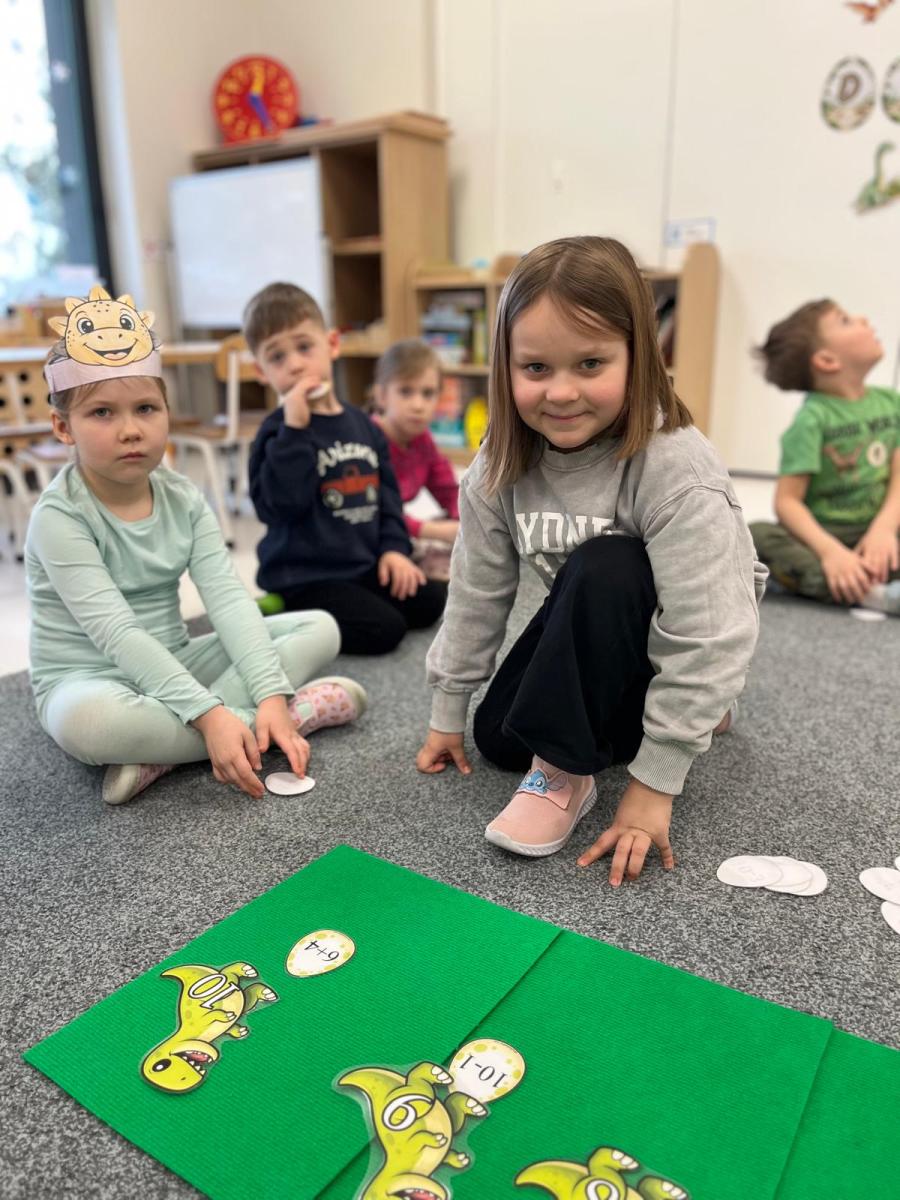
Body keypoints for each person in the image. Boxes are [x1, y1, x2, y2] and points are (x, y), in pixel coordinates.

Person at [415, 237, 766, 885]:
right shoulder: (500, 462)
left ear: (639, 356)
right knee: (499, 739)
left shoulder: (676, 466)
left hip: (678, 631)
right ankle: (648, 721)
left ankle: (569, 774)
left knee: (607, 563)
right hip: (595, 630)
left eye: (591, 363)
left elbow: (712, 630)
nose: (561, 392)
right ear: (505, 366)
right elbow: (475, 588)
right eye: (536, 367)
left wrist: (655, 783)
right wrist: (448, 709)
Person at [26, 286, 366, 806]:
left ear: (167, 410)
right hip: (86, 677)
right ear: (62, 427)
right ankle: (283, 716)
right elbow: (117, 632)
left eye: (145, 408)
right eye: (102, 413)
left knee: (320, 626)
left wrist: (265, 689)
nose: (130, 430)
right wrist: (210, 714)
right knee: (89, 725)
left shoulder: (183, 497)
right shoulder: (59, 516)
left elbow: (226, 599)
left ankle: (173, 747)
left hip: (177, 659)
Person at [245, 283, 447, 653]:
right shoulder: (275, 433)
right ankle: (287, 612)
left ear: (332, 344)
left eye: (304, 347)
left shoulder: (365, 426)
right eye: (277, 357)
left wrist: (394, 551)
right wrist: (295, 430)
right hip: (306, 577)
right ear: (262, 371)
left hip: (362, 566)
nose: (295, 364)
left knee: (431, 601)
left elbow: (388, 501)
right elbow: (280, 506)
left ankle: (337, 609)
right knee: (385, 630)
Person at [748, 299, 900, 612]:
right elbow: (787, 502)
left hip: (880, 532)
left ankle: (858, 580)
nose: (862, 317)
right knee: (756, 537)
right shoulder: (811, 420)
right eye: (845, 320)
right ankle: (871, 594)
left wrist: (884, 529)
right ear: (827, 360)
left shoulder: (891, 403)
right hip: (824, 537)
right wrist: (831, 552)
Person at [372, 338, 460, 582]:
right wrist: (433, 530)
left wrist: (463, 520)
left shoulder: (422, 440)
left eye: (428, 393)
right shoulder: (367, 440)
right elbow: (372, 513)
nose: (418, 405)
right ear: (381, 396)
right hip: (368, 535)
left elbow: (448, 490)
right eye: (405, 392)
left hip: (398, 529)